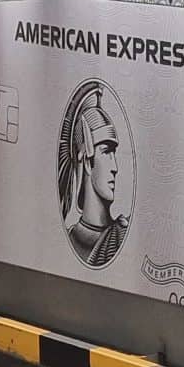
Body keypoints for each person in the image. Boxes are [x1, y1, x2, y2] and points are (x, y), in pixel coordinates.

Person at [59, 83, 129, 267]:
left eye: (115, 154)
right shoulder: (67, 237)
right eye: (106, 152)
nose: (115, 167)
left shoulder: (122, 235)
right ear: (88, 162)